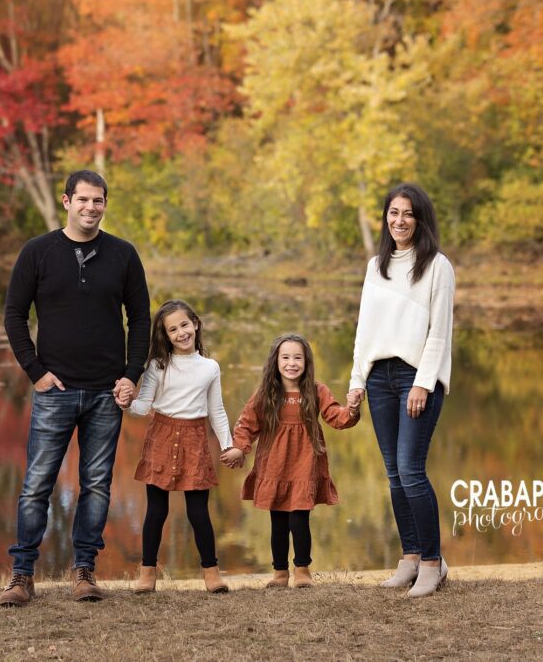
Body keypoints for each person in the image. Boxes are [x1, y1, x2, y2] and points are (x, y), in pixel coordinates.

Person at [0, 169, 151, 606]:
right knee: (37, 484)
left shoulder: (123, 255)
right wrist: (36, 372)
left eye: (98, 201)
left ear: (105, 204)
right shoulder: (38, 252)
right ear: (66, 201)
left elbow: (139, 319)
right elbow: (14, 315)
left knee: (97, 485)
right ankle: (21, 575)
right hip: (54, 390)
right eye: (82, 200)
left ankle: (84, 571)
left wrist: (131, 374)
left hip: (106, 392)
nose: (90, 208)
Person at [346, 182, 455, 598]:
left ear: (420, 218)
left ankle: (432, 563)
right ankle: (409, 557)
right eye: (393, 212)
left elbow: (439, 333)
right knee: (393, 474)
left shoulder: (437, 266)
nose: (399, 220)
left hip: (414, 379)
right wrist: (357, 381)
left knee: (411, 470)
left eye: (407, 213)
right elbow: (364, 330)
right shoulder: (377, 266)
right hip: (379, 379)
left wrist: (423, 383)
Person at [222, 333, 359, 588]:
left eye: (298, 357)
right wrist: (240, 448)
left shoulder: (316, 391)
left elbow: (335, 416)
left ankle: (302, 569)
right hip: (275, 464)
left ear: (306, 361)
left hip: (305, 464)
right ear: (275, 361)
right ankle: (280, 573)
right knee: (279, 522)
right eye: (285, 357)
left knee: (299, 519)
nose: (291, 363)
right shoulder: (266, 393)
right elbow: (247, 424)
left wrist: (351, 411)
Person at [120, 300, 235, 594]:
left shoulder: (210, 367)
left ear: (195, 323)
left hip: (195, 440)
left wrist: (228, 445)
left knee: (199, 513)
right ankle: (147, 574)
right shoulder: (158, 366)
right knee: (156, 511)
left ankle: (211, 573)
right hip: (162, 435)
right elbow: (144, 405)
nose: (181, 333)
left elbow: (217, 410)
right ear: (166, 335)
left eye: (184, 325)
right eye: (173, 329)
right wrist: (127, 401)